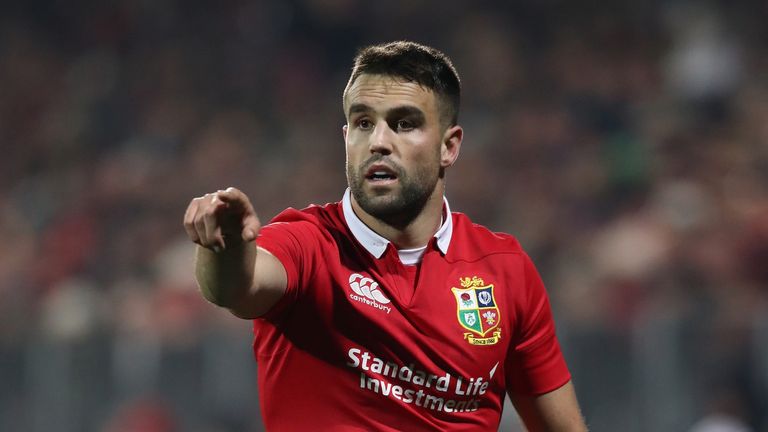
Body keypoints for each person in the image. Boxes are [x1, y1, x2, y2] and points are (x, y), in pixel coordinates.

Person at [183, 41, 587, 431]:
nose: (378, 142)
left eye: (404, 123)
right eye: (363, 123)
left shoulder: (505, 270)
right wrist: (226, 247)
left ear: (449, 146)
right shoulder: (308, 244)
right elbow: (235, 287)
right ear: (346, 139)